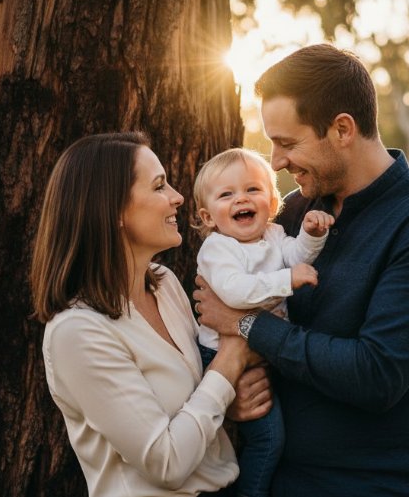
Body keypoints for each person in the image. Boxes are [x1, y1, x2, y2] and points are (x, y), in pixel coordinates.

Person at [195, 45, 409, 497]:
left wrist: (247, 325)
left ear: (342, 129)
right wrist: (237, 395)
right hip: (269, 477)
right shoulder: (294, 211)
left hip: (365, 486)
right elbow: (225, 304)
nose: (277, 161)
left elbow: (374, 375)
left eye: (288, 143)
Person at [31, 132, 271, 497]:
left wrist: (230, 403)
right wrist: (233, 355)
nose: (177, 197)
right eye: (159, 186)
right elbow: (166, 462)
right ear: (112, 211)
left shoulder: (164, 283)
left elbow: (202, 397)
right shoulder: (77, 332)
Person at [192, 147, 334, 497]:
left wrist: (312, 234)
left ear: (272, 203)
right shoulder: (218, 249)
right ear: (208, 217)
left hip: (266, 347)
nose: (242, 198)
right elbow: (235, 292)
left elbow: (295, 256)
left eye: (253, 190)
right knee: (270, 440)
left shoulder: (273, 235)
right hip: (224, 357)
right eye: (227, 194)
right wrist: (286, 281)